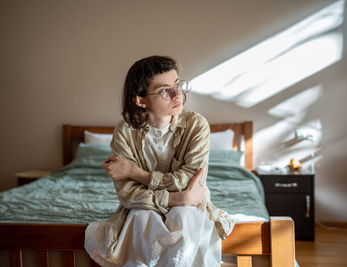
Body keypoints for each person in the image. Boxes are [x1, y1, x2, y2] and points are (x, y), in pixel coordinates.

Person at [85, 55, 235, 266]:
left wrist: (134, 173)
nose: (177, 94)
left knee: (185, 215)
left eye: (177, 85)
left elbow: (189, 181)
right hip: (147, 207)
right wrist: (177, 199)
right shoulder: (125, 132)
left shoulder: (196, 125)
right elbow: (128, 195)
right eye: (165, 90)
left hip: (190, 205)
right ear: (141, 100)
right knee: (141, 216)